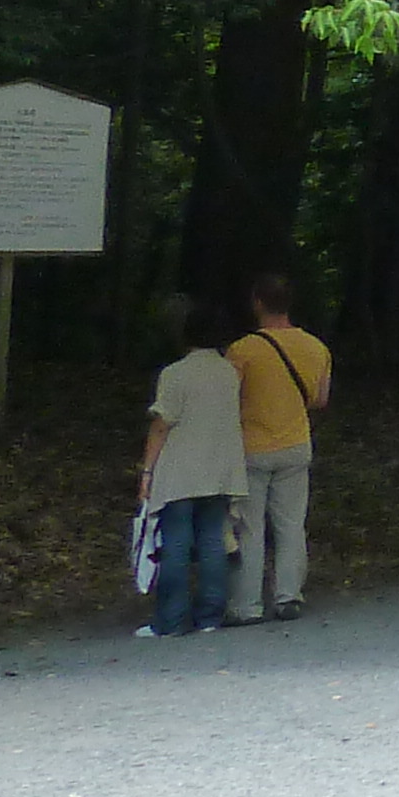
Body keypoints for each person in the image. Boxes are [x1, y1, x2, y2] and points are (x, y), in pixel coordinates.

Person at [217, 272, 333, 626]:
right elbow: (320, 400)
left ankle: (247, 605)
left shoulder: (242, 350)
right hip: (296, 445)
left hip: (251, 449)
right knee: (291, 525)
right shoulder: (317, 347)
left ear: (257, 303)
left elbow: (226, 400)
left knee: (250, 529)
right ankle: (288, 596)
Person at [132, 302, 248, 638]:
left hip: (181, 471)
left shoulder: (175, 374)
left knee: (177, 545)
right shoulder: (229, 372)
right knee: (213, 541)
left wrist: (147, 472)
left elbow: (161, 425)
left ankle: (170, 620)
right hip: (220, 469)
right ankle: (209, 617)